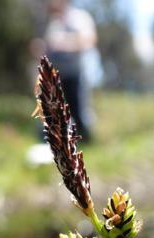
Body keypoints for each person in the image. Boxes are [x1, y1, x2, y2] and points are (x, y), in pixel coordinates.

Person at [36, 0, 97, 142]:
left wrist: (64, 43)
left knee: (79, 113)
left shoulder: (80, 17)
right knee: (53, 113)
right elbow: (50, 47)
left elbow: (90, 40)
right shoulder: (53, 23)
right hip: (56, 76)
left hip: (76, 74)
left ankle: (85, 143)